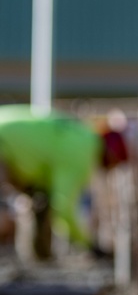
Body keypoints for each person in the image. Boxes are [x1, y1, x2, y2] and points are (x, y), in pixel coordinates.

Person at [0, 107, 126, 259]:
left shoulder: (81, 136)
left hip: (8, 134)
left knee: (41, 200)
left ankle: (39, 257)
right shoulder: (81, 155)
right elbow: (63, 208)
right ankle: (38, 258)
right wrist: (89, 245)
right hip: (4, 142)